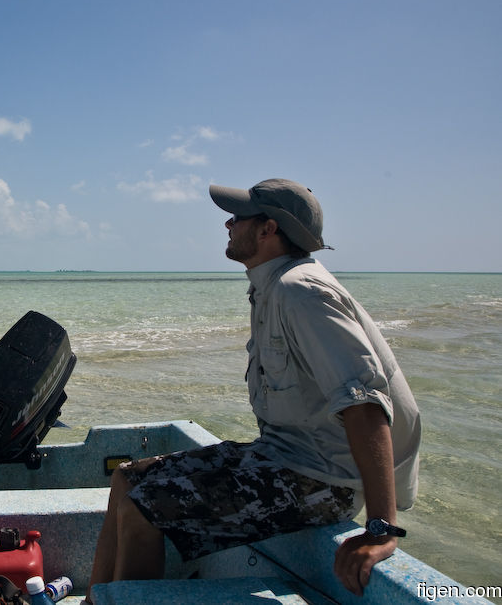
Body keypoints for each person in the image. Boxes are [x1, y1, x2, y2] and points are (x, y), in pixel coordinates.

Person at [88, 178, 421, 598]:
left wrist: (381, 527)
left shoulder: (301, 292)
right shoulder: (272, 285)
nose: (228, 223)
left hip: (321, 482)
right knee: (127, 480)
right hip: (282, 458)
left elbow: (365, 405)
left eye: (239, 217)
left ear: (267, 230)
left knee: (144, 506)